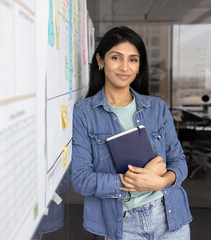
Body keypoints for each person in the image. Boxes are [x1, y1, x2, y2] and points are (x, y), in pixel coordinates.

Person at [71, 26, 192, 240]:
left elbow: (179, 161)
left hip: (169, 217)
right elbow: (81, 179)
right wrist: (134, 181)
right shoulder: (84, 112)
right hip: (122, 223)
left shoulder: (157, 108)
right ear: (100, 61)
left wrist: (160, 182)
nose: (125, 67)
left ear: (139, 66)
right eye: (116, 58)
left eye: (133, 60)